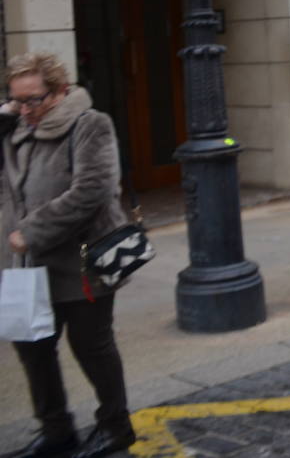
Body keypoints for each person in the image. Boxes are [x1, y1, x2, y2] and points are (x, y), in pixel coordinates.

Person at [1, 52, 136, 458]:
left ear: (59, 92)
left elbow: (93, 190)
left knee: (91, 346)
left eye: (34, 100)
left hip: (82, 263)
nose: (26, 110)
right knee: (32, 348)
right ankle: (56, 431)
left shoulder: (89, 124)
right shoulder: (14, 128)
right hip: (24, 267)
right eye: (17, 100)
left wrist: (33, 230)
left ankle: (115, 427)